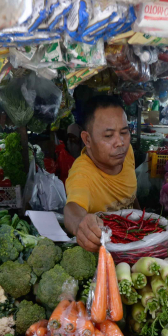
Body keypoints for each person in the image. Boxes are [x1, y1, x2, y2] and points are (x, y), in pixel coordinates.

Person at [65, 96, 137, 252]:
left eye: (124, 132)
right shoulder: (82, 174)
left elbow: (131, 197)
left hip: (134, 238)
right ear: (87, 139)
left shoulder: (127, 152)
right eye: (108, 136)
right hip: (106, 251)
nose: (120, 143)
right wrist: (80, 225)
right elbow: (72, 209)